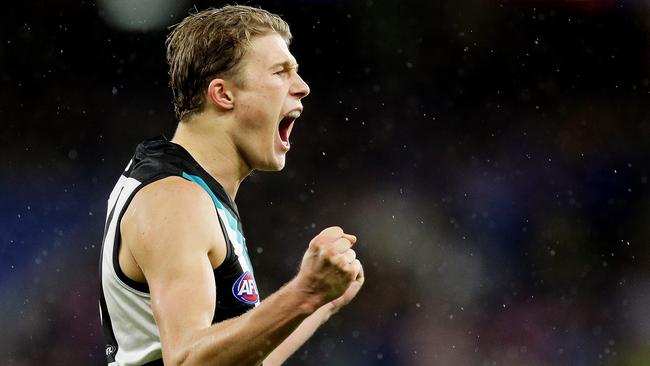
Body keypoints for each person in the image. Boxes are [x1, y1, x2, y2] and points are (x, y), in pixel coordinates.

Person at [98, 5, 364, 366]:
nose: (302, 87)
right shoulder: (174, 198)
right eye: (280, 72)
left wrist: (320, 303)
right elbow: (188, 358)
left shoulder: (196, 190)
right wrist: (304, 293)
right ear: (223, 94)